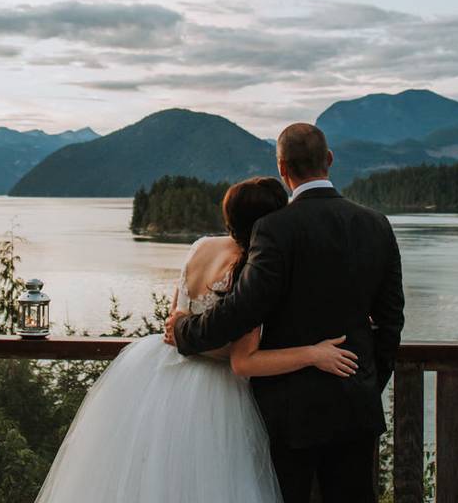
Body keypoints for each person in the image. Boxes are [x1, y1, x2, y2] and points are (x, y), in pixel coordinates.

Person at [35, 176, 359, 503]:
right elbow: (241, 359)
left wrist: (184, 332)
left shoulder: (201, 246)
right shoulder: (252, 267)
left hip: (158, 373)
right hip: (215, 392)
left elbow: (175, 319)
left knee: (152, 476)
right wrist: (313, 353)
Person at [167, 122, 405, 503]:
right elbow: (391, 320)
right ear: (329, 160)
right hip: (355, 406)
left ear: (282, 168)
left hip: (288, 413)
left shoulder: (274, 229)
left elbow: (242, 309)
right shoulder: (376, 224)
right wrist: (366, 380)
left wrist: (183, 332)